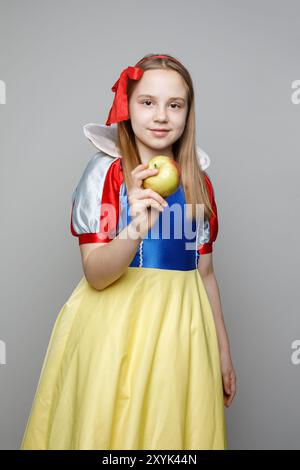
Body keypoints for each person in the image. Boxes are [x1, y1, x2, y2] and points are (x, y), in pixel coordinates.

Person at [20, 53, 236, 450]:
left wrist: (222, 351)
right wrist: (135, 225)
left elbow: (204, 273)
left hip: (181, 329)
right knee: (113, 432)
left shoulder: (196, 182)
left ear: (188, 113)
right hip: (115, 329)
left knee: (168, 432)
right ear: (128, 108)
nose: (161, 116)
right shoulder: (108, 174)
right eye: (147, 102)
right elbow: (97, 276)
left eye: (175, 105)